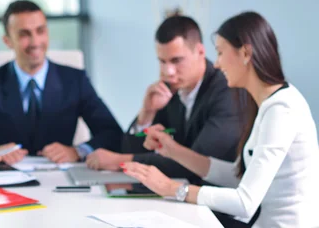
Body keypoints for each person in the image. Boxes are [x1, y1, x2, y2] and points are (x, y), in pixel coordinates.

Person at [122, 12, 319, 227]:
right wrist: (172, 150)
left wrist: (172, 188)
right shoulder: (267, 104)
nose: (216, 64)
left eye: (220, 53)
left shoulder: (282, 109)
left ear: (245, 53)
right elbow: (237, 176)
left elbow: (245, 201)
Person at [0, 0, 123, 171]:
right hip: (8, 177)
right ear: (8, 40)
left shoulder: (74, 79)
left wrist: (77, 151)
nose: (35, 41)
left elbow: (112, 133)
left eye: (40, 31)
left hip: (61, 176)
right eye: (24, 34)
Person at [86, 15, 243, 183]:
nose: (168, 71)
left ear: (200, 52)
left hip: (213, 200)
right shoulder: (171, 91)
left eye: (177, 61)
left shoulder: (226, 91)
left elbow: (195, 165)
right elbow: (131, 149)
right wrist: (146, 113)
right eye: (162, 61)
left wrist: (120, 162)